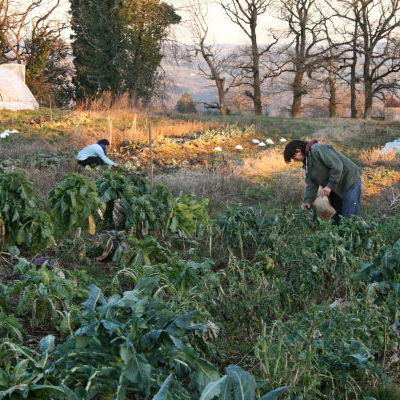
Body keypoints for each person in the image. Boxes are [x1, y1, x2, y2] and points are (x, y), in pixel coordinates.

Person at [283, 139, 362, 224]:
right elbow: (311, 184)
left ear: (298, 150)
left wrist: (329, 186)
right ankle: (339, 236)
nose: (294, 160)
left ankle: (356, 234)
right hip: (336, 187)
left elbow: (337, 166)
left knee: (350, 215)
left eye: (293, 157)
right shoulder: (307, 163)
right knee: (336, 217)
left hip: (349, 180)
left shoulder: (317, 149)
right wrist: (307, 202)